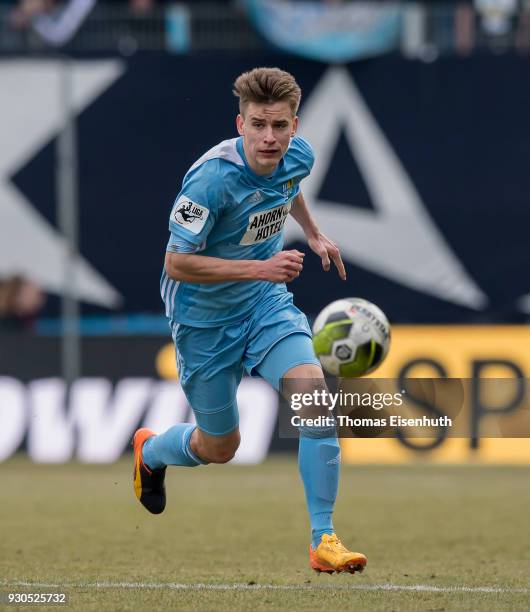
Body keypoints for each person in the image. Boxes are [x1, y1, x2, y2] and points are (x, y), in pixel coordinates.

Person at [132, 67, 367, 575]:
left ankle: (323, 538)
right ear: (239, 123)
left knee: (314, 399)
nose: (269, 138)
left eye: (279, 126)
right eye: (258, 125)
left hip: (264, 304)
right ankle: (152, 452)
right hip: (204, 322)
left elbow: (289, 187)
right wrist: (260, 265)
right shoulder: (210, 180)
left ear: (294, 125)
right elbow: (176, 262)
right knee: (220, 447)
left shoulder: (297, 155)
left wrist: (315, 233)